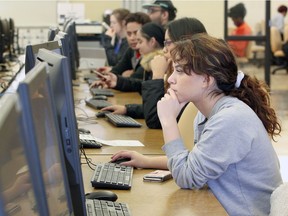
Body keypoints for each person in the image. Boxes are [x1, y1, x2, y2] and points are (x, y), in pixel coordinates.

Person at [110, 34, 283, 215]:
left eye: (179, 71)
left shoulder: (230, 119)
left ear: (206, 80)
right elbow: (194, 163)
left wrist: (168, 121)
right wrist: (146, 161)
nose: (170, 79)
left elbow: (187, 177)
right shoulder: (207, 112)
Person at [100, 17, 207, 129]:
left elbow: (155, 120)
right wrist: (128, 109)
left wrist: (157, 77)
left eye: (168, 43)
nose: (164, 49)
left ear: (186, 43)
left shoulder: (191, 79)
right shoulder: (178, 71)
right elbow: (162, 108)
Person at [91, 22, 164, 94]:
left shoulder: (158, 62)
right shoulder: (147, 60)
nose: (137, 46)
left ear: (152, 41)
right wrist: (115, 81)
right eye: (129, 34)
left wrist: (119, 80)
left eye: (140, 41)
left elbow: (145, 87)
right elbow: (142, 85)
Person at [95, 12, 151, 78]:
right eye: (129, 34)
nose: (132, 38)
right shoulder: (131, 51)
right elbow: (118, 69)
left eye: (136, 33)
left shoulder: (149, 54)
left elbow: (136, 79)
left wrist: (124, 76)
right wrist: (107, 76)